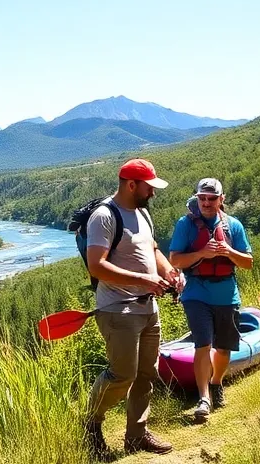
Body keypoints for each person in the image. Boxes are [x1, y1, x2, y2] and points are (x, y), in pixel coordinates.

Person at [83, 158, 183, 459]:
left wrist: (169, 273)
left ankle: (137, 436)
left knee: (146, 374)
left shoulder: (142, 213)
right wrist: (144, 279)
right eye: (148, 186)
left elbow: (152, 250)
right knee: (122, 374)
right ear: (131, 185)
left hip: (148, 308)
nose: (152, 192)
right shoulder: (104, 216)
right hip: (117, 310)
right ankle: (91, 422)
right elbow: (96, 265)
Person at [167, 177, 253, 422]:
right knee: (203, 344)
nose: (206, 202)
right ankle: (204, 398)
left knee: (223, 349)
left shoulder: (233, 226)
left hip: (227, 294)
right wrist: (202, 254)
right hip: (196, 293)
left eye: (211, 198)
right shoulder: (185, 224)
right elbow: (175, 260)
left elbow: (247, 263)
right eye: (201, 198)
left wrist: (229, 251)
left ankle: (216, 383)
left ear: (221, 200)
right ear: (197, 199)